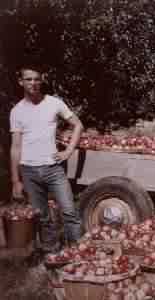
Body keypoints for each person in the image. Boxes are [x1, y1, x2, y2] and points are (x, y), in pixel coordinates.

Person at [10, 65, 83, 252]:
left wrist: (68, 152)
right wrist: (16, 180)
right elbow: (16, 147)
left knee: (69, 211)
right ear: (21, 82)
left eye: (36, 79)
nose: (33, 83)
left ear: (41, 80)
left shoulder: (54, 103)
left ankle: (78, 252)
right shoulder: (17, 111)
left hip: (53, 169)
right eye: (28, 79)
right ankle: (52, 254)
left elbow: (78, 125)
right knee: (42, 216)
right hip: (29, 171)